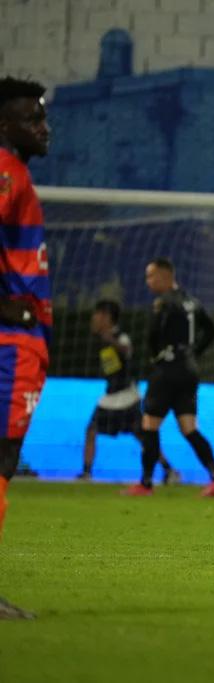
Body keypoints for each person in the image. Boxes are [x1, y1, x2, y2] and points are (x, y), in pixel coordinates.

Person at [0, 76, 52, 619]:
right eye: (32, 118)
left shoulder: (16, 174)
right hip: (11, 343)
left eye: (43, 116)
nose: (44, 127)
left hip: (22, 340)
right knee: (2, 457)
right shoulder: (4, 173)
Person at [122, 258, 214, 497]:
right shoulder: (192, 301)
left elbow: (153, 334)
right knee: (189, 427)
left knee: (149, 425)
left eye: (151, 276)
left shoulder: (163, 302)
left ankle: (145, 484)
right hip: (189, 370)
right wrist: (193, 353)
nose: (148, 282)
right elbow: (211, 331)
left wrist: (155, 357)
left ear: (165, 276)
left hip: (167, 370)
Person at [78, 299, 180, 485]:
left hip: (126, 397)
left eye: (97, 315)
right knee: (91, 430)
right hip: (110, 397)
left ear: (107, 317)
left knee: (143, 437)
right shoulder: (100, 340)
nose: (94, 318)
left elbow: (126, 350)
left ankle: (169, 470)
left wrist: (111, 340)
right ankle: (86, 473)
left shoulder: (120, 337)